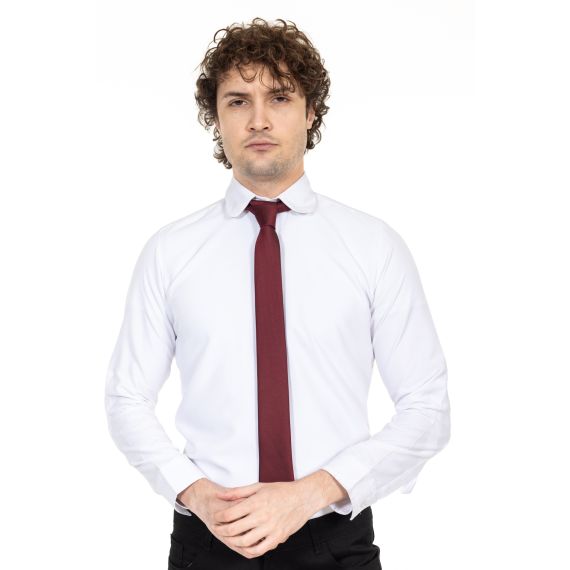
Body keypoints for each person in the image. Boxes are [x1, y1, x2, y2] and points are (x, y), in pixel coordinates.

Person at [104, 17, 451, 569]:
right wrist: (195, 493)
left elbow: (427, 409)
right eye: (238, 101)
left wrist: (310, 494)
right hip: (207, 540)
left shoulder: (373, 246)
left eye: (280, 97)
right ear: (216, 117)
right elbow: (126, 398)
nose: (259, 119)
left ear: (310, 112)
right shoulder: (170, 251)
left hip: (333, 542)